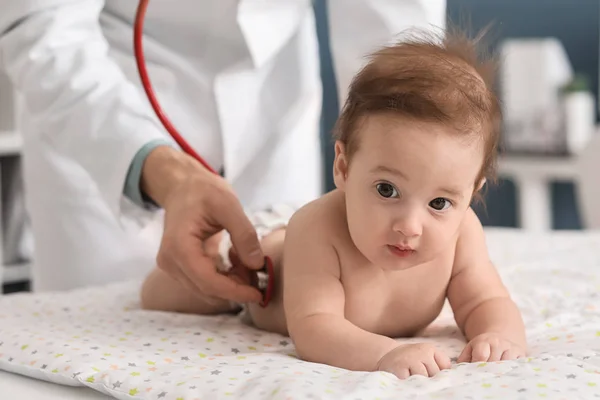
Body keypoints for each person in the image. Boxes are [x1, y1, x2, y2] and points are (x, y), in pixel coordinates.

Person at [140, 26, 528, 379]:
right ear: (343, 166)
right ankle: (211, 251)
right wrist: (384, 354)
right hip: (260, 267)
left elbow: (486, 300)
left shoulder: (463, 236)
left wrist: (498, 335)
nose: (410, 225)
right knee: (192, 289)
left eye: (440, 203)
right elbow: (314, 328)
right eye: (387, 190)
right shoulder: (318, 229)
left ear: (472, 191)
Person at [0, 1, 446, 302]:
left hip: (273, 81)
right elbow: (42, 26)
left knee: (289, 296)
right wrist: (160, 173)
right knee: (109, 325)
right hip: (106, 90)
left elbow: (394, 22)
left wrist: (412, 156)